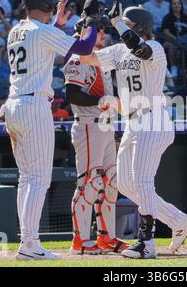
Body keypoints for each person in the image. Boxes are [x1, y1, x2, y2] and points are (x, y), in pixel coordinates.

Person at [79, 0, 187, 259]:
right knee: (128, 185)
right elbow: (86, 59)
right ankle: (178, 221)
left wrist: (118, 22)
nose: (121, 30)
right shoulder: (119, 50)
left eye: (128, 25)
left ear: (140, 27)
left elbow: (139, 49)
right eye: (122, 25)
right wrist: (85, 26)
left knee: (142, 181)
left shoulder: (155, 47)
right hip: (132, 120)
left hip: (153, 118)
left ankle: (147, 243)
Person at [2, 0, 100, 261]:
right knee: (38, 179)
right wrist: (91, 22)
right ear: (45, 5)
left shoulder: (16, 30)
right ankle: (30, 243)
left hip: (14, 104)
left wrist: (55, 22)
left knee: (27, 179)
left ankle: (28, 241)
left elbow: (47, 47)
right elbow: (82, 48)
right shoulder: (41, 31)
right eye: (51, 5)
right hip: (33, 106)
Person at [64, 20, 131, 255]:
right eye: (96, 30)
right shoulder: (76, 58)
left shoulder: (101, 59)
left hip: (105, 126)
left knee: (112, 182)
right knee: (89, 183)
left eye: (102, 30)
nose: (102, 34)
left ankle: (107, 238)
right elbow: (71, 95)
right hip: (88, 126)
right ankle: (80, 240)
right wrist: (100, 101)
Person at [162, 0, 187, 77]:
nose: (177, 5)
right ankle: (174, 68)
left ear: (181, 5)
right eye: (174, 3)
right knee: (173, 44)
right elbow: (165, 31)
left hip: (185, 40)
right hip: (171, 40)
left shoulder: (186, 17)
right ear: (171, 6)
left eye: (178, 3)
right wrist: (176, 38)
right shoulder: (167, 17)